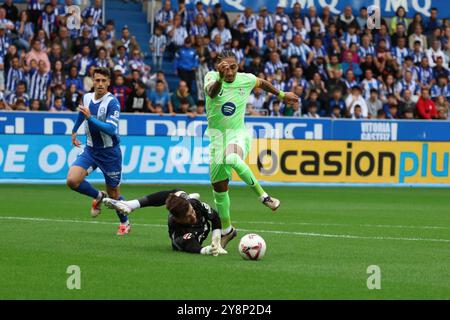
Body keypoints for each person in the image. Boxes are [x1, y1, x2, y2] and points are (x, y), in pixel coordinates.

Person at [203, 50, 298, 248]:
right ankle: (228, 230)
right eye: (225, 68)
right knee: (219, 189)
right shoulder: (211, 77)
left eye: (233, 67)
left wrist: (281, 95)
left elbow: (261, 82)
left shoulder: (245, 79)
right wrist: (220, 78)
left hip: (238, 134)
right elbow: (211, 92)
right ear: (219, 68)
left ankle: (264, 197)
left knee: (232, 158)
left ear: (238, 66)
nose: (230, 72)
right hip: (216, 139)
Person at [66, 67, 131, 235]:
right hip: (91, 150)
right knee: (72, 180)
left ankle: (125, 222)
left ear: (109, 82)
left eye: (103, 81)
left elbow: (110, 129)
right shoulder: (87, 97)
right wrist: (75, 130)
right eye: (97, 80)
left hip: (110, 153)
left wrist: (90, 118)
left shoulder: (112, 102)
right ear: (92, 81)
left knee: (114, 194)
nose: (100, 84)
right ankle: (98, 196)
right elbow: (83, 113)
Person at [103, 190, 226, 255]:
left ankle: (131, 205)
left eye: (192, 212)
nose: (193, 216)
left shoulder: (194, 206)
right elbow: (192, 246)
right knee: (178, 196)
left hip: (189, 202)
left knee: (178, 193)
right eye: (188, 216)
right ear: (179, 220)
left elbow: (215, 217)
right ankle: (184, 195)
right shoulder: (178, 232)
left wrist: (217, 240)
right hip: (189, 235)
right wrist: (207, 249)